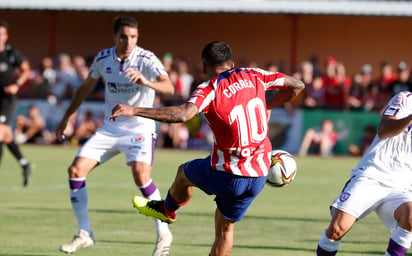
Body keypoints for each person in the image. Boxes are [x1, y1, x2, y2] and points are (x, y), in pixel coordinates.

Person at [110, 41, 305, 256]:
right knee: (225, 229)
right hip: (259, 174)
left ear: (204, 67)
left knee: (184, 173)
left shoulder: (210, 88)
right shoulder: (254, 74)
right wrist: (269, 104)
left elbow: (183, 114)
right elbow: (297, 85)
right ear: (232, 63)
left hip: (229, 174)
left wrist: (134, 110)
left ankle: (167, 211)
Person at [55, 16, 175, 255]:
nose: (129, 41)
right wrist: (68, 116)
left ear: (137, 37)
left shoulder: (146, 59)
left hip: (140, 127)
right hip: (110, 128)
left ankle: (163, 233)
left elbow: (169, 87)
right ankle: (85, 233)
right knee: (75, 171)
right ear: (115, 37)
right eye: (124, 36)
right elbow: (85, 87)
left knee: (141, 175)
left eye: (133, 37)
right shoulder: (103, 59)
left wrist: (146, 81)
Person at [317, 90, 412, 256]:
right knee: (337, 228)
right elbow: (384, 130)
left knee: (411, 217)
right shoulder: (405, 98)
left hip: (401, 184)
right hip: (372, 173)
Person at [0, 20, 31, 186]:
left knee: (0, 131)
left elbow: (26, 70)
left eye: (1, 34)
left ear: (6, 36)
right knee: (5, 135)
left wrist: (16, 85)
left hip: (6, 99)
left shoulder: (11, 54)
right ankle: (24, 164)